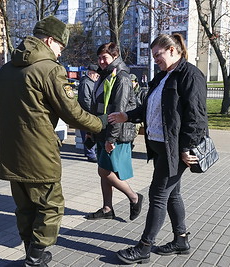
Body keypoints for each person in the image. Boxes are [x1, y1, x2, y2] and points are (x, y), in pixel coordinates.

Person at [0, 16, 107, 267]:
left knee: (24, 208)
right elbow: (72, 113)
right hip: (39, 153)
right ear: (49, 40)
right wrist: (101, 123)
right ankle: (35, 257)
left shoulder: (6, 69)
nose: (59, 53)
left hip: (10, 152)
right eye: (60, 47)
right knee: (51, 205)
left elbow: (0, 108)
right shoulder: (50, 70)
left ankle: (30, 252)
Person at [109, 33, 208, 264]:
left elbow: (197, 118)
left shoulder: (189, 75)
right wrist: (127, 116)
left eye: (158, 55)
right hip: (161, 148)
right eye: (153, 56)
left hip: (175, 149)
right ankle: (181, 239)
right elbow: (149, 109)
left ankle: (144, 247)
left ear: (173, 50)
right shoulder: (163, 76)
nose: (155, 60)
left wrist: (187, 148)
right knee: (172, 194)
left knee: (158, 194)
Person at [85, 42, 143, 221]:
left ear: (115, 56)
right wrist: (91, 131)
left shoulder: (122, 77)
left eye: (105, 57)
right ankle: (107, 208)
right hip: (102, 130)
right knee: (104, 169)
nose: (102, 61)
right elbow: (98, 106)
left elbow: (119, 110)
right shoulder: (105, 75)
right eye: (100, 57)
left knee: (105, 171)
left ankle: (134, 197)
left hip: (115, 133)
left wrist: (111, 138)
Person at [77, 64, 99, 162]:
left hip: (88, 113)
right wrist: (93, 110)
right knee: (88, 133)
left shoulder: (89, 82)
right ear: (90, 73)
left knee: (88, 132)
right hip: (87, 113)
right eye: (96, 75)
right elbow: (85, 100)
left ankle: (89, 152)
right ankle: (91, 154)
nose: (97, 77)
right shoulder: (86, 83)